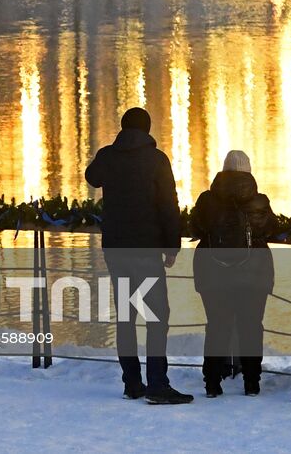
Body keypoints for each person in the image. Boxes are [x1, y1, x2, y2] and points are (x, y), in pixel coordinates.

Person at [85, 107, 192, 404]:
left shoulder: (109, 156)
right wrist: (172, 247)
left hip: (116, 249)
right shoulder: (157, 160)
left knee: (126, 317)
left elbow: (91, 177)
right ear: (147, 129)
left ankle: (132, 382)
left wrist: (108, 154)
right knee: (157, 317)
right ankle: (157, 382)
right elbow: (169, 205)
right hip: (146, 249)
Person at [191, 149, 277, 397]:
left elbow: (195, 226)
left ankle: (212, 383)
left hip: (213, 275)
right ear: (248, 170)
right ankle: (252, 382)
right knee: (251, 326)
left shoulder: (207, 201)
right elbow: (272, 228)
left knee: (217, 326)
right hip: (253, 275)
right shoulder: (259, 202)